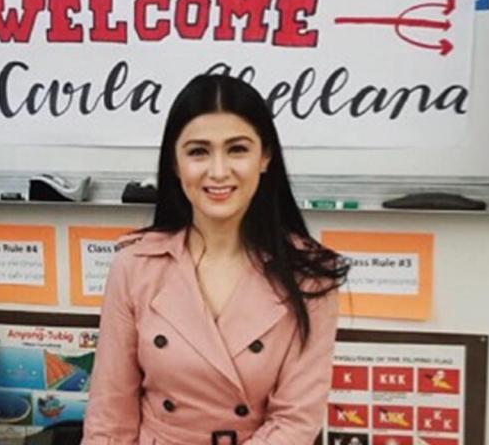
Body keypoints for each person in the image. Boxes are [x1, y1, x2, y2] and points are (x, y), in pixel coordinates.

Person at [82, 74, 350, 445]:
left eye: (237, 149)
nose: (219, 171)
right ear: (175, 163)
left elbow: (295, 422)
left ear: (265, 157)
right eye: (198, 152)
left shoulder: (311, 275)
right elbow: (110, 417)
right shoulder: (135, 265)